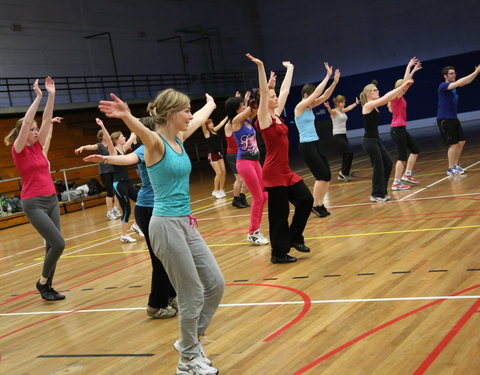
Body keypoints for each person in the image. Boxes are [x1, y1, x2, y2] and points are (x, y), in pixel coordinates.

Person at [99, 89, 224, 375]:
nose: (191, 116)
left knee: (215, 285)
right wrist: (127, 116)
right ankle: (188, 361)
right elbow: (143, 131)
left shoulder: (178, 137)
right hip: (164, 225)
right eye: (186, 111)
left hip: (186, 222)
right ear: (170, 114)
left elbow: (200, 118)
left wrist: (211, 104)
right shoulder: (154, 144)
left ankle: (189, 342)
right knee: (191, 293)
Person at [83, 117, 177, 319]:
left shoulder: (166, 144)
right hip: (149, 208)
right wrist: (106, 159)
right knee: (160, 259)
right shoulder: (145, 149)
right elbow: (127, 158)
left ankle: (171, 295)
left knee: (168, 256)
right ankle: (156, 304)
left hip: (161, 207)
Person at [247, 53, 314, 264]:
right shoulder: (264, 118)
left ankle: (294, 237)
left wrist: (291, 68)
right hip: (273, 172)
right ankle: (278, 253)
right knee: (279, 215)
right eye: (272, 97)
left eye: (276, 97)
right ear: (263, 102)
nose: (276, 98)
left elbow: (283, 90)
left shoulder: (276, 114)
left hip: (285, 171)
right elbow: (265, 92)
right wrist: (260, 67)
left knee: (306, 200)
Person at [4, 77, 65, 301]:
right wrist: (37, 97)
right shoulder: (19, 149)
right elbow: (29, 119)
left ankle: (48, 286)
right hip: (33, 202)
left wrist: (51, 95)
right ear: (24, 132)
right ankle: (42, 283)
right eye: (33, 129)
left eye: (37, 129)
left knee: (52, 245)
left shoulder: (38, 146)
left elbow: (47, 119)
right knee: (59, 243)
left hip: (51, 199)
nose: (37, 131)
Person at [294, 63, 340, 217]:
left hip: (316, 142)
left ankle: (320, 204)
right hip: (306, 145)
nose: (315, 96)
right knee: (321, 176)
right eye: (312, 94)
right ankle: (315, 205)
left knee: (327, 176)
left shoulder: (310, 107)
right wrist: (327, 76)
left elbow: (325, 95)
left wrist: (334, 81)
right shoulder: (299, 107)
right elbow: (319, 92)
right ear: (306, 95)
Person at [359, 78, 414, 202]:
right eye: (374, 90)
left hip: (376, 140)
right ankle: (376, 194)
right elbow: (386, 98)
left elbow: (391, 96)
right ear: (368, 94)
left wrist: (404, 85)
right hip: (369, 142)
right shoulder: (367, 105)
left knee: (388, 163)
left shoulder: (374, 105)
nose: (377, 91)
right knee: (378, 167)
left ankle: (382, 192)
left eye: (377, 89)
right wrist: (402, 85)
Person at [225, 91, 268, 246]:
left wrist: (266, 89)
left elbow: (257, 107)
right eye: (241, 105)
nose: (244, 106)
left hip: (255, 161)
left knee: (264, 196)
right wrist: (255, 98)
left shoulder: (248, 120)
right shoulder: (235, 122)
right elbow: (251, 108)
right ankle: (252, 232)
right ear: (236, 109)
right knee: (258, 197)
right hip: (244, 163)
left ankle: (256, 229)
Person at [96, 118, 143, 243]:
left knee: (142, 201)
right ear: (117, 140)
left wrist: (133, 120)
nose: (124, 138)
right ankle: (123, 234)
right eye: (122, 136)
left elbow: (133, 135)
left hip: (128, 183)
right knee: (126, 209)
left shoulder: (123, 149)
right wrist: (102, 125)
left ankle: (136, 225)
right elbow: (108, 139)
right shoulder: (113, 151)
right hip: (119, 184)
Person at [437, 64, 480, 175]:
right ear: (445, 76)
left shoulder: (453, 86)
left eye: (454, 73)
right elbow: (460, 82)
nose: (454, 75)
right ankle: (450, 168)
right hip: (444, 119)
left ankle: (455, 165)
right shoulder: (443, 86)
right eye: (451, 73)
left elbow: (467, 81)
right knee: (453, 144)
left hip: (453, 118)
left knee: (461, 141)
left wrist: (476, 73)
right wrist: (475, 72)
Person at [387, 57, 423, 191]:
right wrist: (409, 67)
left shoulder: (400, 97)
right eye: (404, 85)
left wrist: (413, 70)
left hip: (401, 129)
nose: (407, 85)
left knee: (415, 150)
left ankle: (407, 174)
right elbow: (406, 81)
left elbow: (406, 81)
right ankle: (396, 182)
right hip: (397, 130)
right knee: (402, 157)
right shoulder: (396, 97)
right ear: (399, 87)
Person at [74, 126, 121, 220]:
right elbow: (90, 146)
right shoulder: (99, 145)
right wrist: (83, 147)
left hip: (114, 170)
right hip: (105, 172)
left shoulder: (111, 145)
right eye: (104, 133)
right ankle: (109, 211)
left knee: (118, 190)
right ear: (101, 136)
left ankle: (116, 208)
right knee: (110, 191)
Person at [224, 91, 252, 209]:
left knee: (247, 178)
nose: (244, 108)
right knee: (239, 178)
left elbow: (243, 113)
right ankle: (236, 199)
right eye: (241, 106)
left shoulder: (240, 121)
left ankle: (242, 196)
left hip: (243, 154)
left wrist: (243, 101)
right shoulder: (231, 124)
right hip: (233, 154)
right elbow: (242, 113)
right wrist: (242, 102)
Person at [323, 96, 359, 182]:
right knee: (349, 152)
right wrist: (328, 107)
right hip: (337, 136)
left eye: (344, 102)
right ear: (338, 103)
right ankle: (343, 172)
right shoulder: (335, 111)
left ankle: (343, 174)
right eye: (342, 102)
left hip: (343, 135)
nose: (344, 104)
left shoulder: (342, 111)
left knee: (346, 154)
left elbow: (349, 108)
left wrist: (356, 103)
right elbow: (330, 111)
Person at [201, 117, 227, 198]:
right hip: (212, 155)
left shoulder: (214, 130)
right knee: (218, 173)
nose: (211, 124)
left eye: (211, 123)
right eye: (209, 123)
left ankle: (221, 190)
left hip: (218, 153)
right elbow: (202, 124)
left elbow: (221, 124)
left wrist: (227, 116)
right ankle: (215, 191)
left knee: (223, 172)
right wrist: (204, 116)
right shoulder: (206, 133)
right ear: (206, 126)